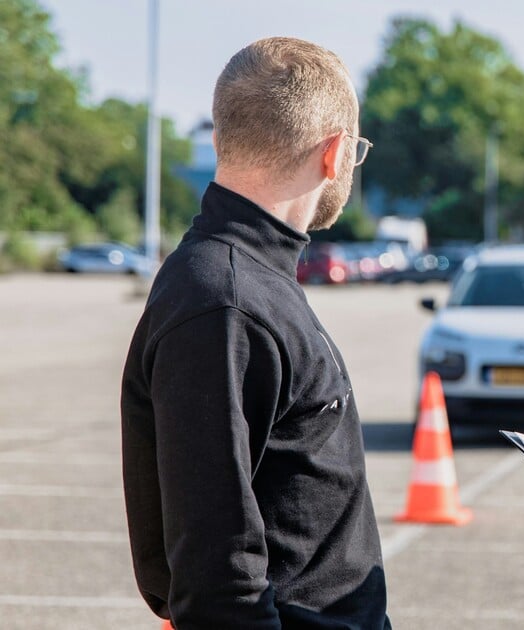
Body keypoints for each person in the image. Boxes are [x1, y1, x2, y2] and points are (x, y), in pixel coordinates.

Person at [120, 37, 390, 629]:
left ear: (221, 140)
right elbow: (217, 582)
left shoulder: (245, 279)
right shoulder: (226, 301)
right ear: (336, 153)